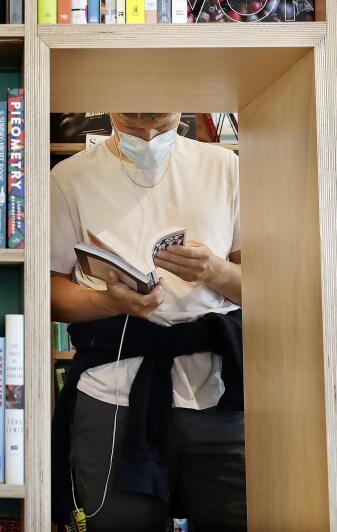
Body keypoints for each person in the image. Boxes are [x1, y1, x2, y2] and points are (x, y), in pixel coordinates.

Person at [50, 112, 245, 532]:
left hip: (219, 388)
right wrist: (109, 303)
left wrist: (215, 271)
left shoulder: (227, 167)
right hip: (112, 389)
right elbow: (47, 292)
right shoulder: (69, 177)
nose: (145, 109)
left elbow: (274, 291)